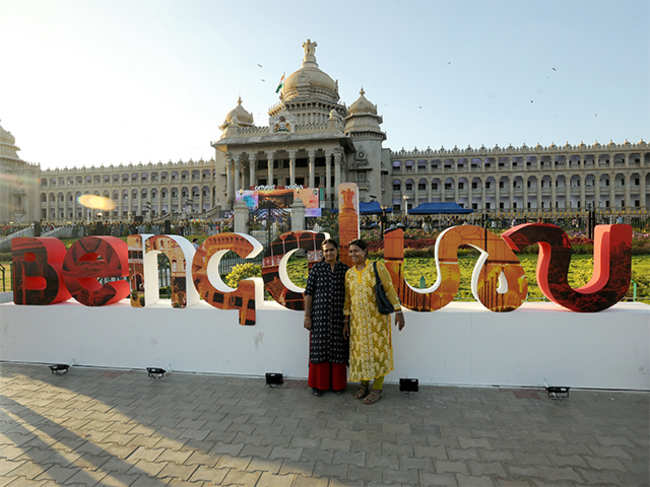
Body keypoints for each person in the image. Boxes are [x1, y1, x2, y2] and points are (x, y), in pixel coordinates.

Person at [343, 239, 405, 405]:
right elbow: (348, 299)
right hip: (357, 323)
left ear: (365, 252)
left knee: (378, 353)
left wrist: (398, 311)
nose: (353, 254)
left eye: (356, 251)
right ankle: (363, 385)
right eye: (350, 251)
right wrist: (346, 319)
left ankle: (377, 388)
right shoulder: (349, 274)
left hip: (377, 321)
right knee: (360, 353)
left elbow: (389, 288)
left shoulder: (377, 267)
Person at [303, 239, 349, 396]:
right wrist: (307, 316)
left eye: (331, 250)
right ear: (322, 253)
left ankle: (338, 385)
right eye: (326, 251)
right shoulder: (316, 269)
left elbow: (349, 295)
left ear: (337, 251)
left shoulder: (345, 270)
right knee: (319, 350)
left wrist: (347, 320)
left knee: (338, 351)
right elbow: (308, 293)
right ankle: (319, 386)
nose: (328, 253)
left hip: (338, 317)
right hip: (319, 317)